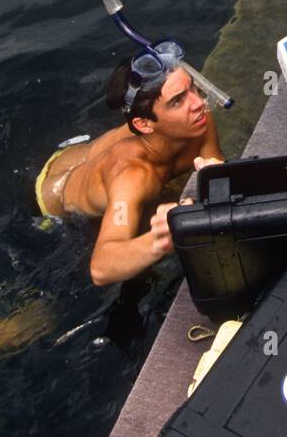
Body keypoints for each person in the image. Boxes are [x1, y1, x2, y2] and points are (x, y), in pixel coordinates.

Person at [35, 47, 223, 285]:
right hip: (55, 197)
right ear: (144, 124)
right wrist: (159, 240)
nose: (198, 103)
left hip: (86, 155)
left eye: (192, 88)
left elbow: (218, 169)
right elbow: (101, 268)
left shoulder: (197, 120)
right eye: (177, 101)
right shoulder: (132, 177)